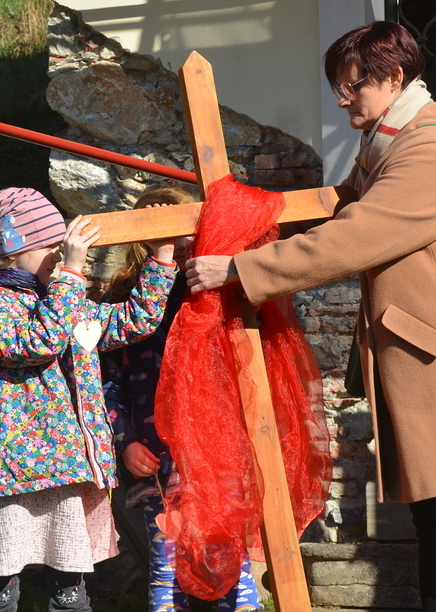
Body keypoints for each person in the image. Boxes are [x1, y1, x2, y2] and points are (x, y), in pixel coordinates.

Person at [185, 21, 436, 612]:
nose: (342, 99)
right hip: (430, 365)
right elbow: (338, 206)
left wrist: (240, 268)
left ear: (394, 77)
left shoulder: (427, 150)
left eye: (351, 86)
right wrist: (245, 212)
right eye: (338, 88)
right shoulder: (385, 143)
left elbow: (356, 234)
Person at [0, 187, 178, 612]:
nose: (60, 257)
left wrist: (162, 256)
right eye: (52, 249)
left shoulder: (64, 295)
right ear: (14, 249)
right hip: (9, 469)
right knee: (1, 594)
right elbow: (39, 341)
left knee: (69, 595)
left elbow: (136, 321)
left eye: (64, 249)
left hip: (67, 467)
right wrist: (72, 273)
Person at [101, 184, 261, 612]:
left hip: (215, 447)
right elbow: (107, 383)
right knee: (167, 564)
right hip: (155, 455)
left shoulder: (210, 288)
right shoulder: (123, 300)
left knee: (230, 555)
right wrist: (126, 441)